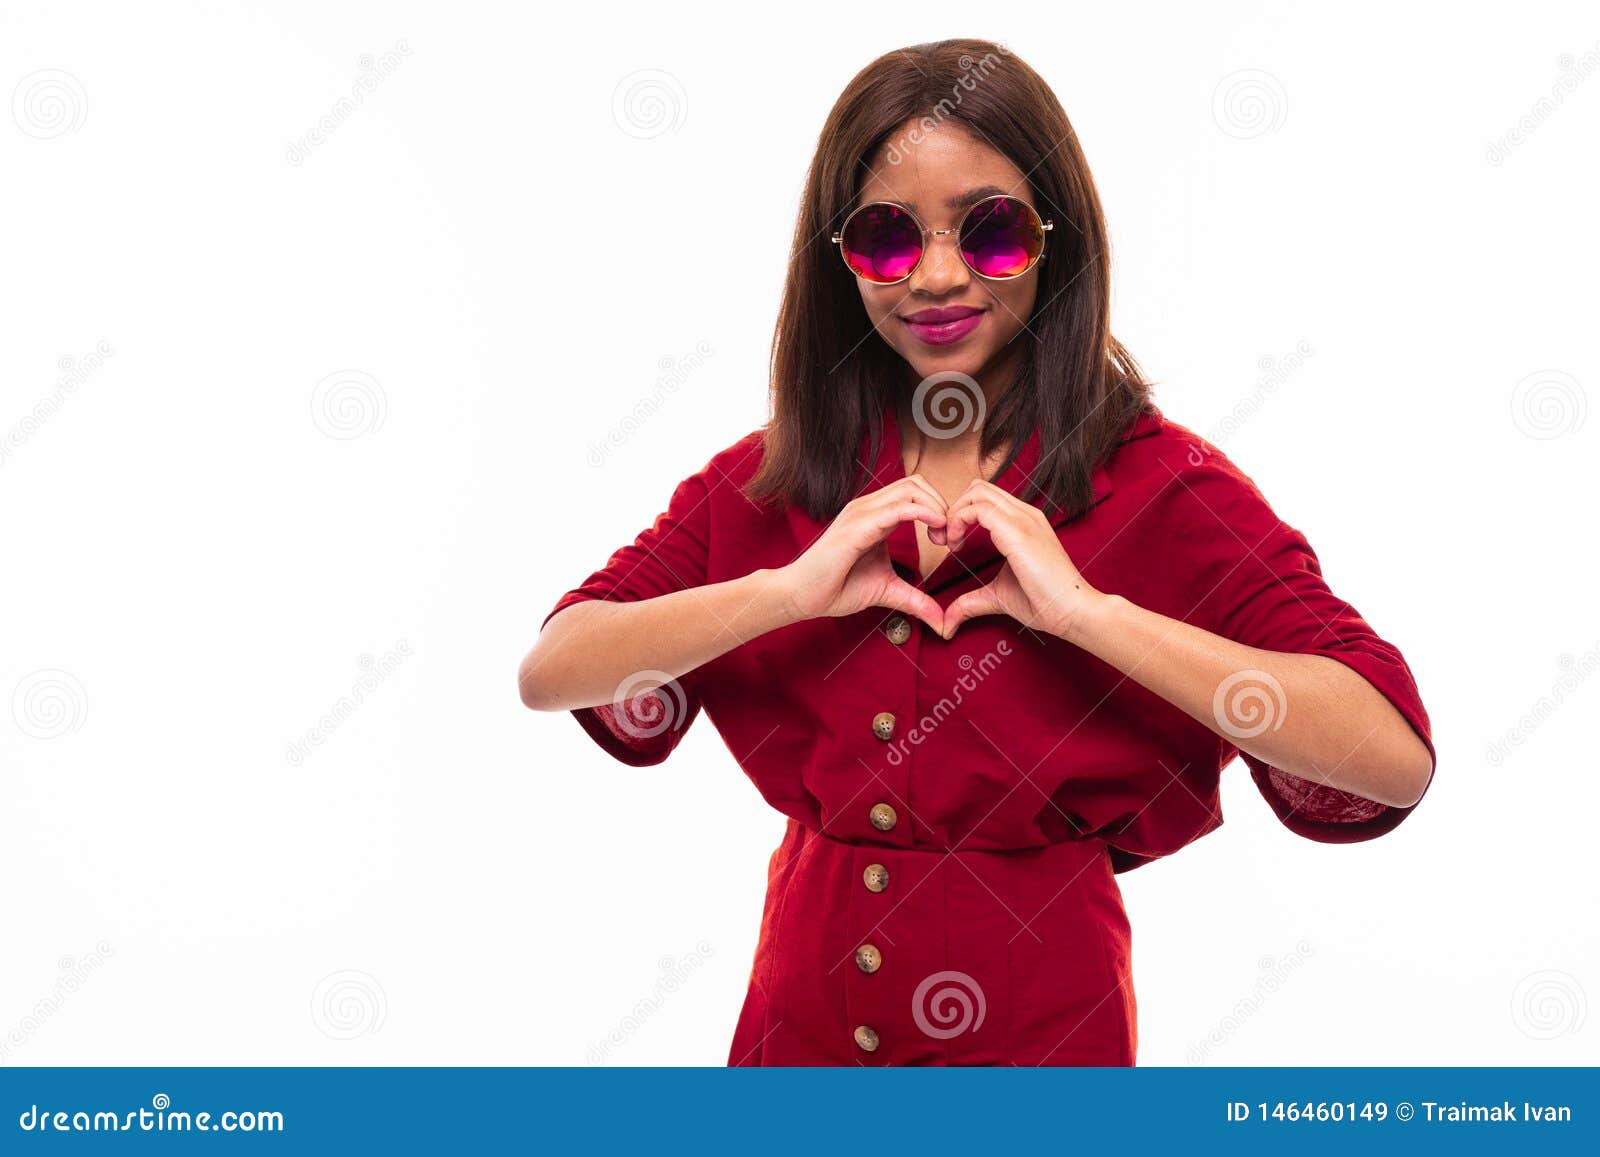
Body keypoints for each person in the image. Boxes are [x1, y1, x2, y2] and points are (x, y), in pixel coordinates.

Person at [518, 38, 1435, 1066]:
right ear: (837, 258)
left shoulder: (1163, 482)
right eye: (886, 238)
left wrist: (1088, 612)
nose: (940, 275)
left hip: (1044, 1049)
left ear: (1057, 239)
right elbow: (555, 666)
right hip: (793, 1039)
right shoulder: (779, 471)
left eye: (991, 230)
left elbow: (1387, 755)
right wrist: (784, 591)